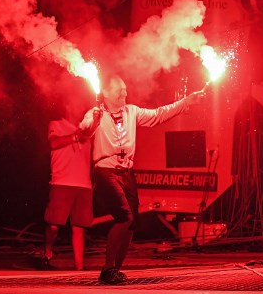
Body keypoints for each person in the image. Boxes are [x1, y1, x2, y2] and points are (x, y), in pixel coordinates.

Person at [81, 76, 206, 285]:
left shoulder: (132, 111)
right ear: (106, 93)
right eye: (120, 90)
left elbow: (158, 115)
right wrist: (93, 120)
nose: (124, 94)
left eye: (125, 90)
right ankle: (107, 268)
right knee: (125, 217)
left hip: (127, 172)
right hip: (106, 171)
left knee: (131, 225)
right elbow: (84, 131)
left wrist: (186, 102)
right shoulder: (96, 114)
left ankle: (115, 271)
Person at [41, 117, 94, 271]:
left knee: (79, 228)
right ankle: (48, 251)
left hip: (83, 185)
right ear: (67, 104)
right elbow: (53, 143)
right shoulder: (56, 124)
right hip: (61, 182)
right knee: (53, 225)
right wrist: (75, 136)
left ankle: (79, 268)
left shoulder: (87, 128)